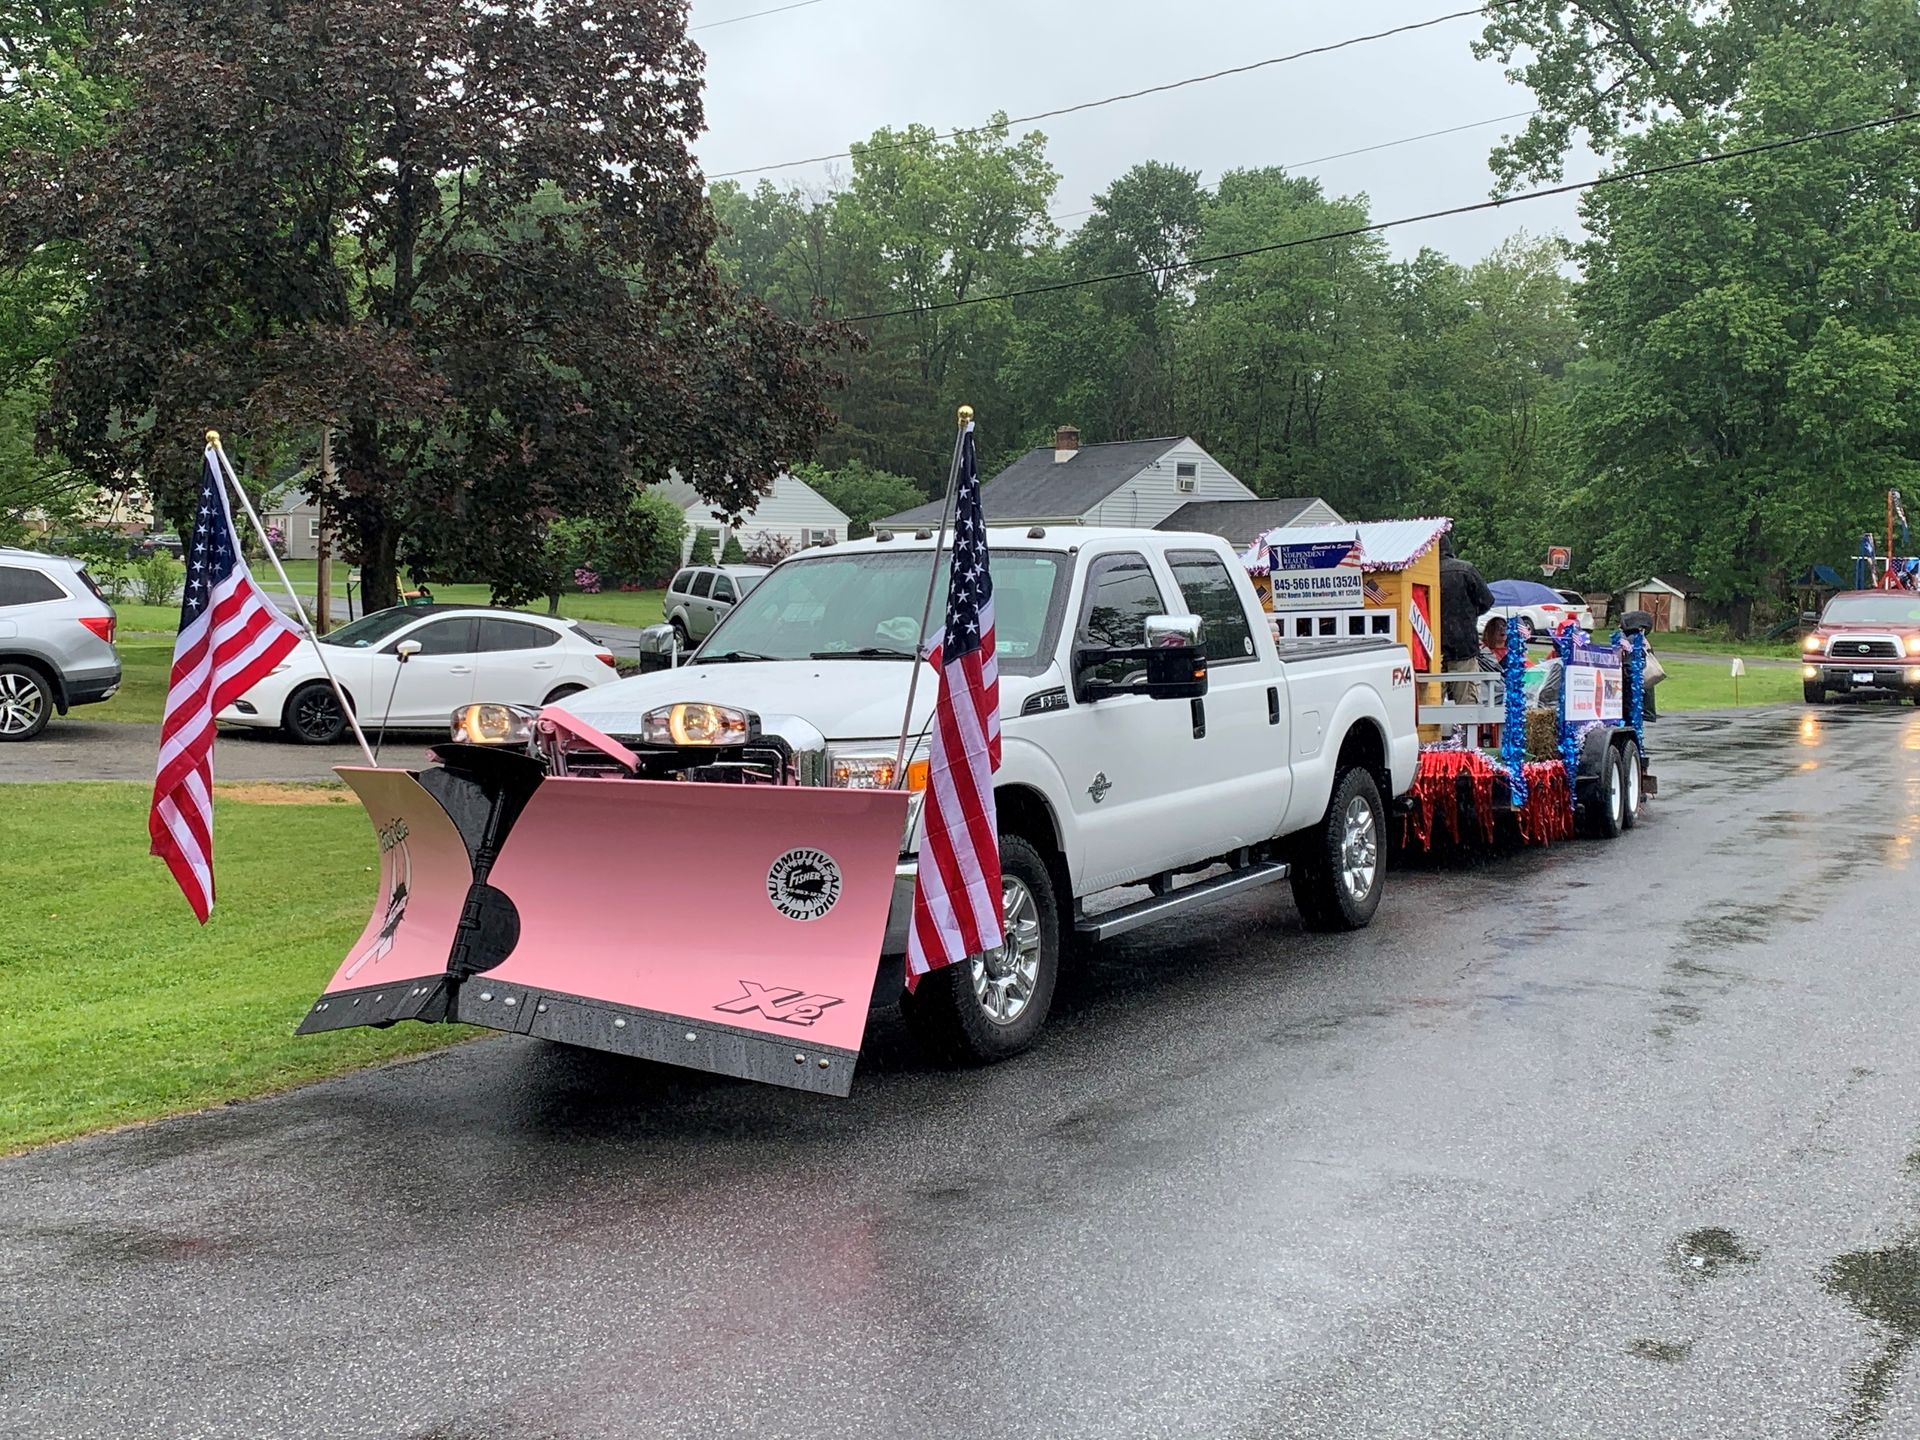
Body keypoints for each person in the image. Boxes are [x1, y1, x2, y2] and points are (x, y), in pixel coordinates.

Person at [1439, 534, 1496, 702]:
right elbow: (1487, 601)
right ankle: (1466, 729)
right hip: (1463, 646)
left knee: (1430, 707)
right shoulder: (1466, 570)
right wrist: (1467, 614)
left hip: (1431, 648)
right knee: (1467, 706)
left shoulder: (1422, 573)